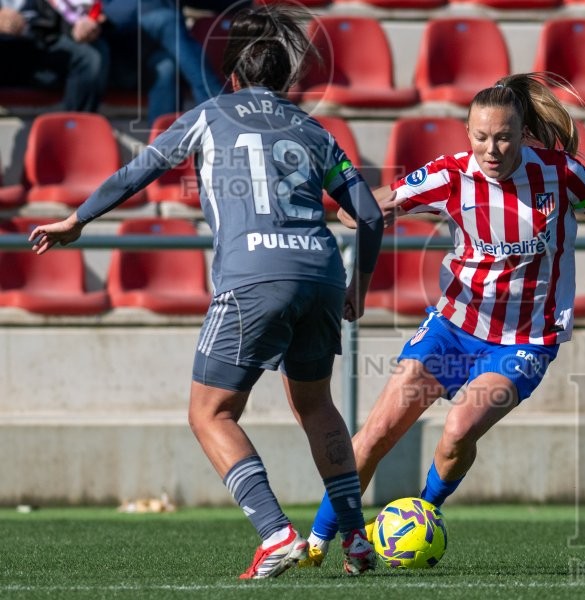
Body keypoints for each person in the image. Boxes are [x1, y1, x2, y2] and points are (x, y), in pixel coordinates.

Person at [27, 5, 383, 579]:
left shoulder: (210, 113)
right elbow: (368, 215)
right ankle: (357, 541)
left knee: (210, 412)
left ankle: (275, 533)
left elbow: (135, 173)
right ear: (284, 81)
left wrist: (78, 220)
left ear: (234, 78)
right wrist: (359, 289)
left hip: (253, 277)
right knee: (317, 406)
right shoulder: (316, 130)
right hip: (321, 275)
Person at [298, 71, 585, 567]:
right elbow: (359, 212)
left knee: (457, 430)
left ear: (522, 133)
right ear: (467, 134)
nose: (491, 149)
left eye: (502, 137)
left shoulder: (560, 173)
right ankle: (320, 543)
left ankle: (424, 516)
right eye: (480, 137)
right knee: (376, 434)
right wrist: (363, 211)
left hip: (525, 340)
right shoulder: (451, 173)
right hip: (452, 327)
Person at [102, 0, 223, 124]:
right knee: (166, 20)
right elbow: (105, 11)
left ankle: (163, 139)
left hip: (157, 52)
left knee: (167, 68)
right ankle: (218, 108)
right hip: (119, 50)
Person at [0, 0, 108, 111]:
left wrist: (81, 28)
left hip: (41, 40)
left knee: (88, 56)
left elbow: (65, 14)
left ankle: (75, 125)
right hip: (5, 49)